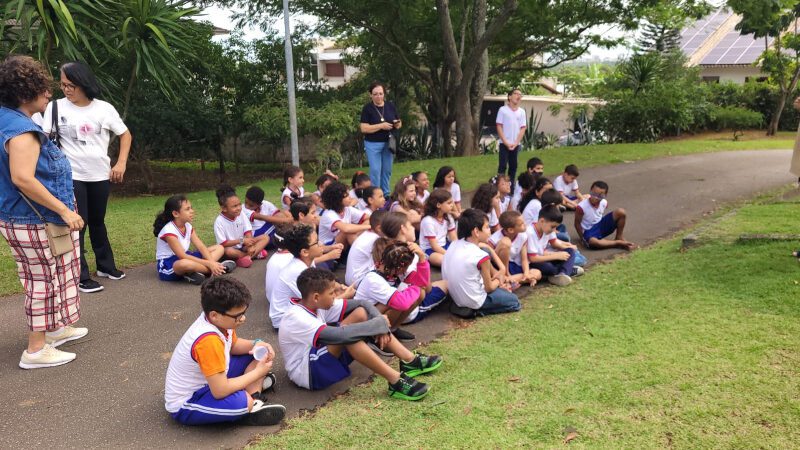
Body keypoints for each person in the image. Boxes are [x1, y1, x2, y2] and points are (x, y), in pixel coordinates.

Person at [0, 55, 87, 369]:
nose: (49, 93)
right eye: (43, 88)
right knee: (43, 280)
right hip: (34, 219)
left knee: (54, 274)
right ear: (25, 93)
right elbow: (22, 178)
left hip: (20, 216)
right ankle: (36, 350)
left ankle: (54, 329)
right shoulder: (21, 130)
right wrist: (65, 210)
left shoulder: (6, 119)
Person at [279, 267, 440, 400]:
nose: (335, 296)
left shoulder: (316, 304)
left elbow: (362, 304)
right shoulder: (296, 317)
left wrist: (379, 323)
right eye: (332, 293)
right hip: (307, 373)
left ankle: (410, 360)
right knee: (349, 337)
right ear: (316, 297)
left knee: (361, 314)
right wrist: (378, 325)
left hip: (318, 356)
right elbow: (341, 336)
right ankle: (395, 380)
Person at [42, 61, 132, 293]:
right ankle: (80, 275)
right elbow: (44, 140)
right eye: (63, 84)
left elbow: (125, 134)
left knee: (98, 220)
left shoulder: (104, 109)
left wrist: (121, 163)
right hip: (71, 175)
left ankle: (105, 266)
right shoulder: (55, 107)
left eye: (70, 85)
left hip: (99, 174)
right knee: (78, 223)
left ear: (83, 83)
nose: (66, 89)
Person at [164, 277, 285, 426]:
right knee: (241, 403)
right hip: (188, 401)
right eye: (237, 316)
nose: (243, 319)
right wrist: (257, 373)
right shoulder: (208, 340)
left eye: (244, 312)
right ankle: (248, 406)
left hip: (210, 381)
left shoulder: (218, 321)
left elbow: (233, 345)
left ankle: (255, 397)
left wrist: (257, 344)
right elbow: (220, 391)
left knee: (257, 355)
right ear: (214, 315)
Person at [355, 239, 448, 338]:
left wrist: (422, 258)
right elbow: (402, 303)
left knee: (418, 293)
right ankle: (376, 336)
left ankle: (392, 330)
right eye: (407, 266)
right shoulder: (374, 279)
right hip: (361, 322)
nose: (406, 270)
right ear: (400, 267)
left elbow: (423, 283)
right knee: (397, 300)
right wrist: (417, 286)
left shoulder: (391, 268)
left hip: (374, 314)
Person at [442, 209, 521, 318]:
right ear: (476, 231)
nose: (490, 231)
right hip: (475, 300)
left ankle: (462, 306)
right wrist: (499, 279)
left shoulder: (454, 244)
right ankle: (474, 311)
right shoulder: (480, 256)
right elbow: (489, 288)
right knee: (514, 302)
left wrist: (500, 268)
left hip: (455, 297)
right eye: (487, 227)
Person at [154, 194, 236, 285]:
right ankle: (218, 269)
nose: (192, 211)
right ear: (175, 214)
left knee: (219, 248)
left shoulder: (188, 226)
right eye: (187, 209)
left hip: (186, 256)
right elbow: (182, 256)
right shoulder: (169, 231)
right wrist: (210, 264)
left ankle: (200, 271)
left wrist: (211, 262)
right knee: (184, 264)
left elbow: (200, 246)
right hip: (169, 264)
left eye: (191, 208)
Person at [360, 82, 402, 195]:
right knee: (375, 170)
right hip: (372, 144)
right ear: (370, 95)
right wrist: (381, 126)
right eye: (375, 94)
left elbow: (399, 122)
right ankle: (375, 194)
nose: (378, 96)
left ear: (384, 94)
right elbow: (364, 128)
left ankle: (386, 194)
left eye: (380, 94)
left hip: (388, 143)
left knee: (387, 170)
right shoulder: (367, 108)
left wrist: (397, 123)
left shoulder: (390, 106)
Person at [213, 185, 269, 268]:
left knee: (265, 237)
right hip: (231, 249)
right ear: (224, 208)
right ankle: (250, 255)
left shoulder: (241, 214)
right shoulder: (219, 222)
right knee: (228, 251)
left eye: (239, 204)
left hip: (243, 245)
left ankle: (247, 257)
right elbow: (223, 243)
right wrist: (242, 240)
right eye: (235, 206)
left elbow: (248, 231)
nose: (239, 208)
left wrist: (250, 245)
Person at [527, 205, 583, 287]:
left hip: (544, 256)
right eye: (552, 227)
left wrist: (567, 247)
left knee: (570, 251)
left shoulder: (546, 229)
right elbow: (533, 258)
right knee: (549, 267)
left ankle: (562, 274)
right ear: (542, 221)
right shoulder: (530, 233)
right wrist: (556, 256)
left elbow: (554, 243)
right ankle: (566, 270)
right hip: (533, 262)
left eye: (556, 227)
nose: (554, 230)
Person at [574, 181, 635, 250]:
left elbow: (599, 214)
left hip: (600, 225)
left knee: (621, 212)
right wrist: (582, 238)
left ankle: (619, 237)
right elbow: (577, 224)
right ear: (590, 191)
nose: (596, 198)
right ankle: (617, 243)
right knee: (593, 242)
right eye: (594, 194)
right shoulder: (581, 207)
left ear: (605, 196)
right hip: (589, 231)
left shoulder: (604, 203)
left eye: (600, 196)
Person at [489, 210, 540, 288]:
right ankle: (506, 277)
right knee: (506, 242)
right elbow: (489, 259)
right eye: (521, 224)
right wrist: (503, 271)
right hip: (499, 267)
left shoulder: (523, 236)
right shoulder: (494, 239)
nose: (525, 224)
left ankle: (508, 281)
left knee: (537, 273)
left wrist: (526, 273)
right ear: (511, 230)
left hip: (513, 265)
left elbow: (524, 259)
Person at [318, 181, 370, 248]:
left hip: (342, 243)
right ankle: (362, 251)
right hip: (328, 247)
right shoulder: (329, 214)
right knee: (348, 232)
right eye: (346, 196)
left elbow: (369, 218)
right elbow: (346, 229)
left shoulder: (347, 209)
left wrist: (366, 226)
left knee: (366, 222)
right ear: (337, 199)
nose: (350, 197)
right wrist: (369, 226)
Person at [496, 88, 527, 193]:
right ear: (509, 96)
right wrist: (506, 142)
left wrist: (516, 142)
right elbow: (499, 126)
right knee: (502, 166)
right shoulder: (502, 110)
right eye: (516, 94)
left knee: (513, 167)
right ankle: (499, 189)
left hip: (516, 144)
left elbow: (523, 128)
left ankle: (510, 190)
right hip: (504, 144)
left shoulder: (522, 112)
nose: (518, 96)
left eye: (520, 95)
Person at [345, 210, 386, 285]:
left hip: (353, 279)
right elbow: (382, 262)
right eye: (389, 225)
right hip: (358, 281)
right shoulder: (375, 239)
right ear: (379, 228)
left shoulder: (368, 234)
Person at [418, 189, 456, 267]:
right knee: (443, 260)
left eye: (452, 202)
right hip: (430, 250)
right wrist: (450, 255)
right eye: (449, 203)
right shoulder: (428, 221)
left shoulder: (448, 217)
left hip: (445, 245)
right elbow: (434, 246)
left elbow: (454, 238)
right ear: (438, 205)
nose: (452, 205)